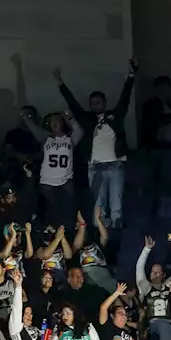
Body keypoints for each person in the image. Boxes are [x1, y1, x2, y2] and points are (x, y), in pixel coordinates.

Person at [55, 59, 138, 228]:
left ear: (104, 103)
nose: (95, 105)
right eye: (92, 103)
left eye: (98, 102)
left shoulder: (115, 115)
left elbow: (125, 97)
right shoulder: (87, 119)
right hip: (95, 166)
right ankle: (98, 239)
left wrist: (131, 75)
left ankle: (114, 238)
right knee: (98, 206)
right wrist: (60, 83)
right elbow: (73, 104)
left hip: (115, 165)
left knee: (116, 205)